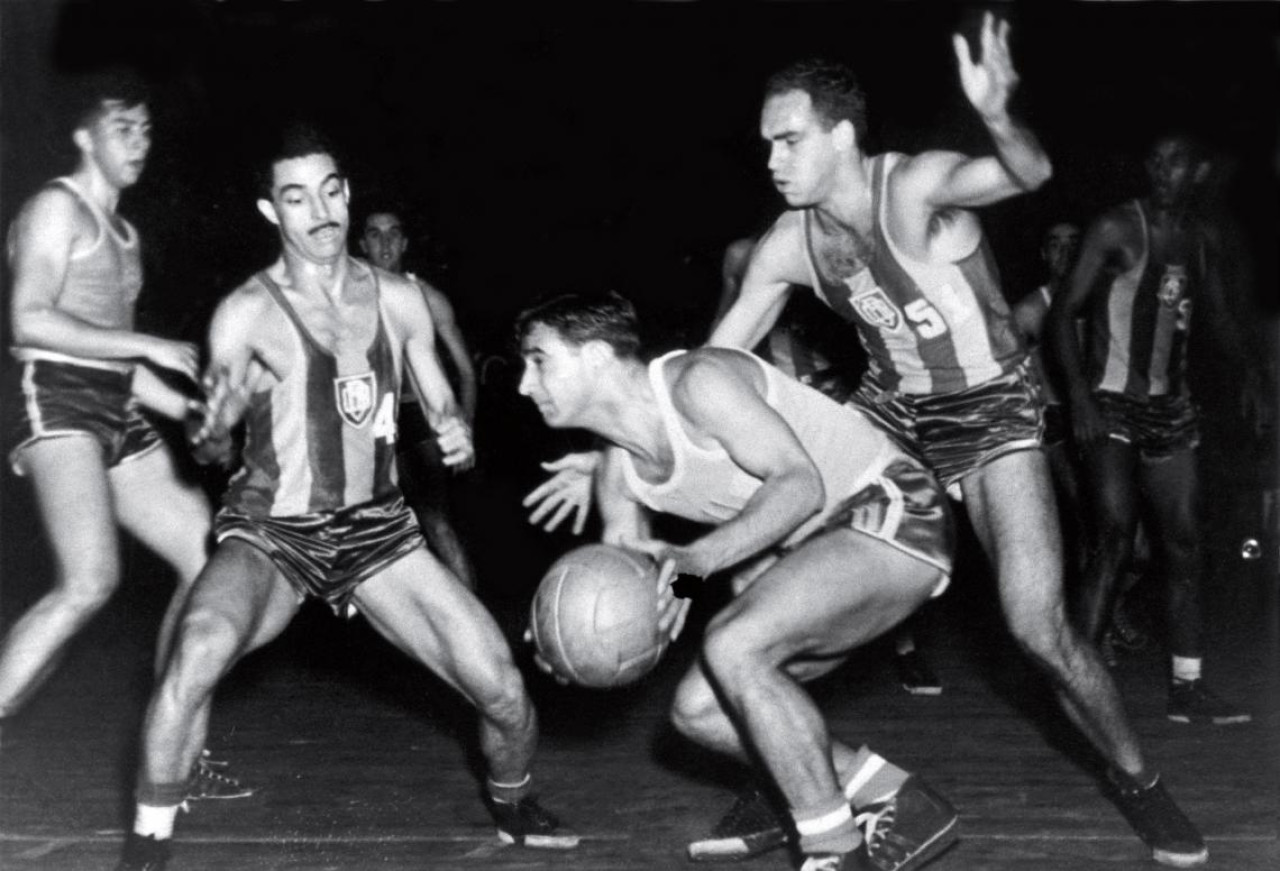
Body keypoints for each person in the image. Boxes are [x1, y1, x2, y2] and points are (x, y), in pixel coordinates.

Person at [703, 15, 1206, 868]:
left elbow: (1028, 171)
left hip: (991, 412)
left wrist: (1000, 114)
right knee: (764, 582)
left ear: (843, 135)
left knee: (1036, 625)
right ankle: (787, 774)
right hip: (890, 418)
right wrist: (629, 417)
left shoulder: (914, 188)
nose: (773, 159)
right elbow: (717, 360)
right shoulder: (790, 243)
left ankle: (1139, 780)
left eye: (788, 140)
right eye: (766, 144)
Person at [114, 125, 577, 871]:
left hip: (377, 531)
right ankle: (147, 846)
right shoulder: (244, 314)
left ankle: (513, 801)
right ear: (273, 212)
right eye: (297, 198)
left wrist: (455, 431)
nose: (320, 211)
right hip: (273, 530)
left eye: (331, 191)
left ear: (347, 192)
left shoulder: (400, 300)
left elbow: (439, 402)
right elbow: (213, 448)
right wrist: (211, 435)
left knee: (504, 689)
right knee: (195, 650)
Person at [518, 293, 958, 871]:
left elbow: (801, 487)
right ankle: (893, 796)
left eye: (539, 360)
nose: (526, 384)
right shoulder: (618, 474)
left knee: (734, 645)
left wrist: (700, 560)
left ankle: (834, 853)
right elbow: (654, 588)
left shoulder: (699, 381)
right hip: (823, 551)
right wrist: (576, 639)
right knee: (700, 711)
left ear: (598, 356)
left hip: (893, 507)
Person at [0, 70, 248, 800]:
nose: (139, 142)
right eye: (122, 128)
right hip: (56, 398)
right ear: (85, 135)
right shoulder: (56, 207)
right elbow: (30, 321)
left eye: (145, 128)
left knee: (208, 554)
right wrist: (147, 345)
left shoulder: (127, 235)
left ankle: (171, 751)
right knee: (89, 579)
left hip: (114, 405)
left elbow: (122, 359)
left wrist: (193, 411)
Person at [1048, 131, 1256, 725]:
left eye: (1177, 162)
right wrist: (1081, 400)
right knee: (1114, 536)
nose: (1163, 171)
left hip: (1171, 409)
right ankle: (1076, 690)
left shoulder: (1202, 239)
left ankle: (1187, 688)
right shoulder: (1116, 226)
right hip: (1111, 403)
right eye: (1156, 160)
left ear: (1199, 171)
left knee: (1186, 545)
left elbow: (1216, 315)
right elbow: (1065, 312)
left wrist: (1256, 377)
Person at [720, 234, 942, 696]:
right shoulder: (742, 259)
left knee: (870, 530)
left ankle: (902, 647)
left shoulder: (818, 250)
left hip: (837, 402)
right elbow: (723, 335)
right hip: (769, 405)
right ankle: (762, 669)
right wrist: (674, 592)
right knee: (747, 568)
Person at [1014, 221, 1151, 667]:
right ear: (1043, 254)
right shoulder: (1033, 309)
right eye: (1054, 245)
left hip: (1108, 418)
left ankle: (1104, 610)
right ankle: (1090, 636)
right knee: (1089, 526)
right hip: (1053, 424)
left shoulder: (1105, 299)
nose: (1064, 254)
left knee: (1139, 546)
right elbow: (1001, 367)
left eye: (1074, 245)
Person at [358, 206, 479, 590]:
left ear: (405, 242)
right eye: (375, 234)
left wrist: (465, 432)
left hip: (417, 421)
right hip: (364, 425)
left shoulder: (427, 297)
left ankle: (474, 623)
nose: (385, 242)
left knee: (437, 524)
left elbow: (466, 374)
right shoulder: (347, 293)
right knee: (371, 534)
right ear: (362, 244)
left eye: (393, 233)